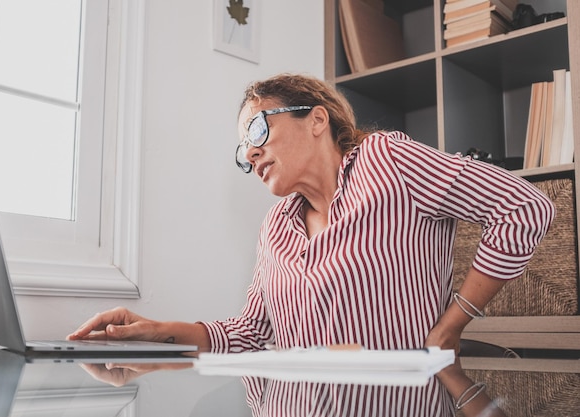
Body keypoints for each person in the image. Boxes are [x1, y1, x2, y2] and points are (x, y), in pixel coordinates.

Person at [68, 73, 554, 411]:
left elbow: (524, 207)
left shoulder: (386, 162)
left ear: (317, 120)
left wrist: (452, 324)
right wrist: (158, 339)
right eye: (242, 150)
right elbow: (251, 335)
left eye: (258, 128)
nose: (250, 152)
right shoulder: (276, 227)